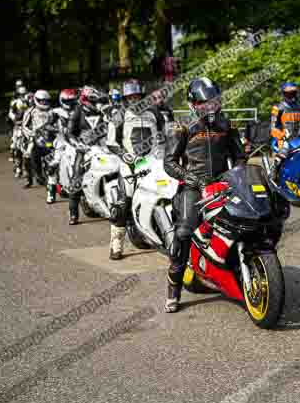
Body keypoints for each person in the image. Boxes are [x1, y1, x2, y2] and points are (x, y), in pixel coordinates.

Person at [163, 77, 244, 313]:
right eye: (205, 104)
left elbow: (239, 155)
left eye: (214, 102)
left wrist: (234, 174)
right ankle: (173, 289)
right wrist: (193, 180)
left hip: (222, 183)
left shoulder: (226, 124)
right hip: (193, 186)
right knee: (185, 231)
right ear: (193, 104)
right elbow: (169, 162)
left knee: (243, 220)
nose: (211, 108)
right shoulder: (182, 126)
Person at [107, 79, 166, 260]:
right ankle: (116, 242)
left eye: (137, 96)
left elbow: (164, 134)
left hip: (153, 162)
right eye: (130, 97)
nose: (134, 99)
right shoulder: (119, 115)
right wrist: (124, 155)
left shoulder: (155, 112)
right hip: (130, 163)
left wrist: (165, 151)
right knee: (123, 202)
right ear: (125, 98)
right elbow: (111, 142)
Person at [67, 85, 107, 225]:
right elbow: (69, 132)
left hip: (103, 147)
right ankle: (73, 213)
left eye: (98, 100)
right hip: (84, 148)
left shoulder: (103, 111)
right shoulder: (77, 111)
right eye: (93, 100)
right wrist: (78, 144)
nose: (97, 102)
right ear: (85, 99)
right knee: (77, 178)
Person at [268, 81, 300, 183]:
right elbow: (272, 127)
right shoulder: (278, 108)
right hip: (281, 139)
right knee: (283, 152)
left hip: (297, 138)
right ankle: (274, 173)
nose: (291, 96)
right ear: (283, 94)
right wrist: (281, 135)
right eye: (288, 93)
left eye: (293, 93)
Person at [20, 89, 54, 189]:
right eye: (41, 100)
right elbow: (24, 126)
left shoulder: (52, 111)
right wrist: (31, 134)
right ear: (36, 100)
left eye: (46, 100)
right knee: (27, 155)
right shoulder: (30, 111)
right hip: (35, 137)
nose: (44, 102)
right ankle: (29, 179)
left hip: (50, 137)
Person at [8, 86, 29, 175]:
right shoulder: (15, 102)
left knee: (27, 148)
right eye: (21, 94)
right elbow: (11, 113)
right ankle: (18, 167)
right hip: (18, 127)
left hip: (27, 127)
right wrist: (15, 119)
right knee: (16, 147)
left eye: (24, 94)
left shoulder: (29, 102)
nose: (22, 96)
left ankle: (27, 169)